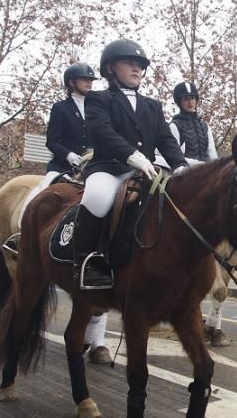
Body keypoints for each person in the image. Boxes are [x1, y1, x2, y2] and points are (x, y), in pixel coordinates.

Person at [77, 39, 188, 289]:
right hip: (109, 168)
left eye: (139, 65)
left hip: (147, 171)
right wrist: (133, 156)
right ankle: (86, 261)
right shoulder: (98, 99)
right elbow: (102, 132)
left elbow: (166, 140)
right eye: (129, 63)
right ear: (110, 68)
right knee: (97, 197)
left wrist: (180, 166)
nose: (136, 68)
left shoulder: (153, 106)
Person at [21, 63, 100, 219]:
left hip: (91, 166)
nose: (89, 82)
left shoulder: (97, 110)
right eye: (84, 79)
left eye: (91, 79)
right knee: (41, 191)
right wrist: (69, 156)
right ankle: (21, 230)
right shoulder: (60, 108)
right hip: (62, 166)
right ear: (72, 82)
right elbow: (52, 141)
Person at [169, 81, 217, 164]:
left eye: (192, 98)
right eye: (186, 99)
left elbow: (212, 154)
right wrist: (199, 165)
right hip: (184, 172)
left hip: (206, 172)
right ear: (179, 102)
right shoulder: (174, 126)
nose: (190, 102)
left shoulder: (204, 126)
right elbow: (175, 156)